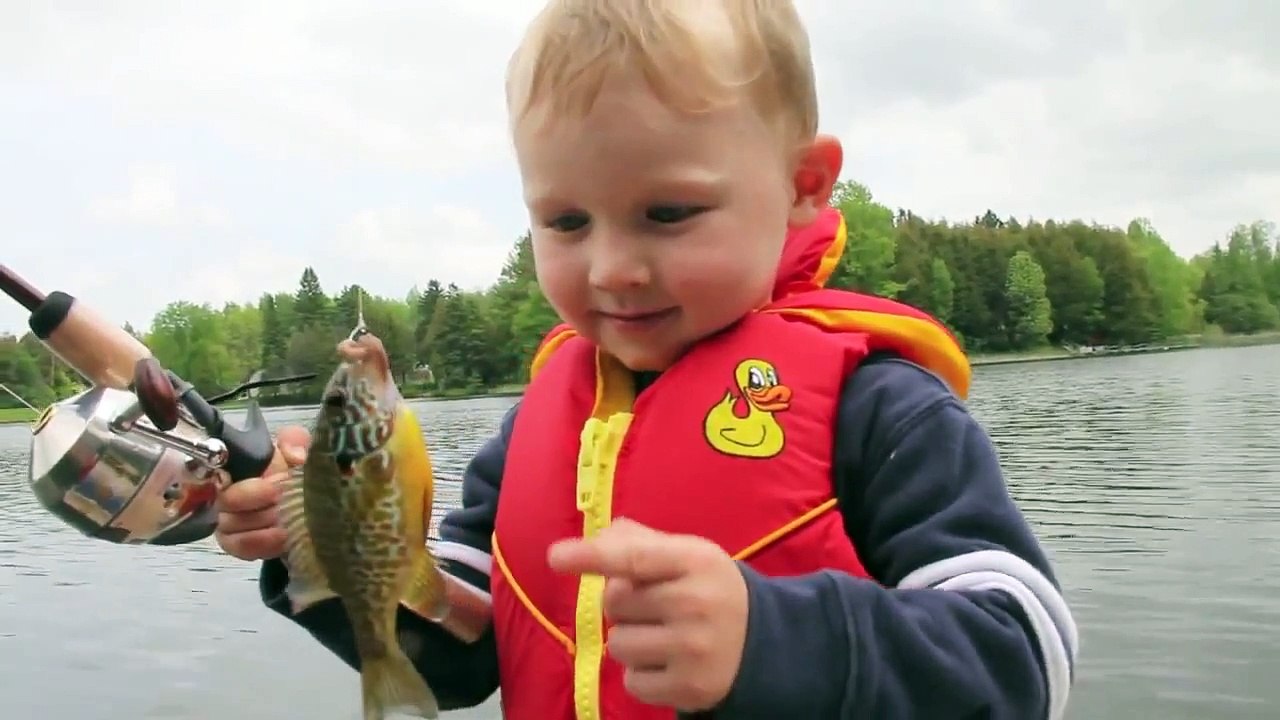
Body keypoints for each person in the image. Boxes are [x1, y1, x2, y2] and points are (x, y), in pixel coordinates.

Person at [215, 1, 1078, 718]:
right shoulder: (533, 429)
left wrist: (772, 638)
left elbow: (1023, 656)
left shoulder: (882, 408)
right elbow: (463, 655)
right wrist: (315, 551)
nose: (612, 268)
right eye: (565, 222)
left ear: (804, 185)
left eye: (667, 212)